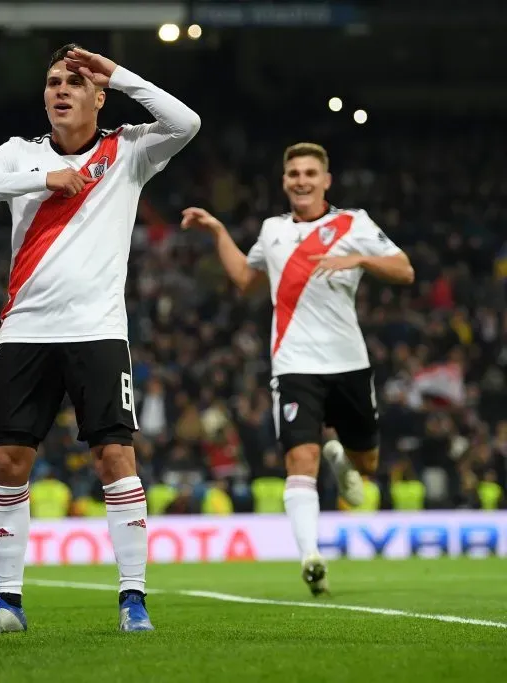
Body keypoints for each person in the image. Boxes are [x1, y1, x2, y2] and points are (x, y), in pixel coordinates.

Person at [0, 43, 200, 633]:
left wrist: (118, 72)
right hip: (25, 333)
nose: (61, 90)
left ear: (98, 96)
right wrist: (44, 176)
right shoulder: (20, 154)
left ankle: (132, 598)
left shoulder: (129, 150)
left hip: (98, 332)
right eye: (54, 81)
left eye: (76, 83)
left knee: (116, 457)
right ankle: (8, 603)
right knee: (9, 461)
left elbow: (187, 122)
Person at [180, 142, 414, 596]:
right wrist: (218, 232)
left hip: (350, 364)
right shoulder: (271, 230)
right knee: (299, 461)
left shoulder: (353, 223)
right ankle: (311, 557)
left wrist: (360, 258)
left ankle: (344, 460)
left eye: (310, 173)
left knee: (367, 464)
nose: (301, 180)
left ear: (326, 180)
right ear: (284, 181)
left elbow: (404, 270)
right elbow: (247, 281)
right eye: (293, 174)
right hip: (294, 365)